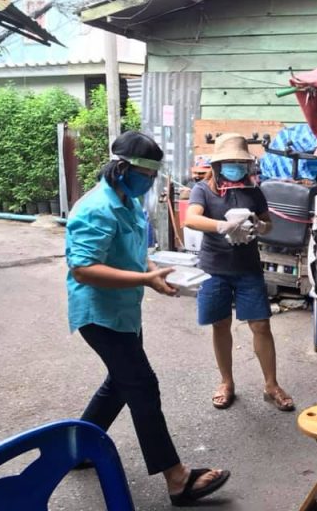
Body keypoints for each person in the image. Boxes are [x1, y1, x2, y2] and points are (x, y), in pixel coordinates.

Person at [66, 131, 230, 506]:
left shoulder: (128, 201)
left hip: (124, 311)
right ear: (122, 168)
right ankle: (177, 479)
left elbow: (134, 252)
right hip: (99, 314)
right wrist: (144, 279)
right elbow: (83, 269)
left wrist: (153, 272)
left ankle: (78, 448)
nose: (150, 181)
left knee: (120, 382)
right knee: (141, 385)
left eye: (154, 174)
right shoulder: (96, 209)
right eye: (145, 173)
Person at [184, 133, 294, 412]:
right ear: (218, 165)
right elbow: (191, 218)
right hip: (214, 268)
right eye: (229, 162)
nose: (235, 167)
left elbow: (268, 224)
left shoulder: (254, 191)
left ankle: (271, 385)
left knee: (261, 325)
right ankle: (226, 382)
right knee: (220, 324)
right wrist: (222, 226)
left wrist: (259, 225)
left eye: (239, 162)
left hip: (248, 268)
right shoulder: (203, 190)